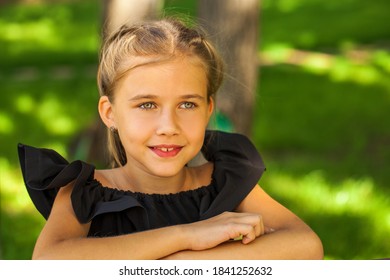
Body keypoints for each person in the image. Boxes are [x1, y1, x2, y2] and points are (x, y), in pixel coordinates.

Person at [17, 17, 323, 260]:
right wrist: (186, 236)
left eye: (187, 105)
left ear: (208, 110)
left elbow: (306, 246)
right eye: (147, 105)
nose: (169, 126)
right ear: (110, 113)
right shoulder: (85, 192)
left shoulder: (224, 182)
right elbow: (48, 263)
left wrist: (181, 264)